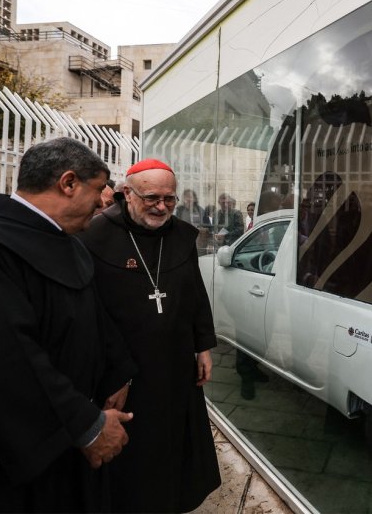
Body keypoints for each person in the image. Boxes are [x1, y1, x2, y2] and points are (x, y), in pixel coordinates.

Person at [0, 137, 137, 512]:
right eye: (99, 189)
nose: (106, 201)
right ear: (68, 183)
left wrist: (118, 370)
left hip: (68, 445)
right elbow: (3, 360)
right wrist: (85, 424)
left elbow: (90, 316)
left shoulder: (66, 242)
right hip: (8, 470)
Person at [79, 158, 221, 512]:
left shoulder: (182, 235)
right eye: (152, 198)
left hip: (174, 362)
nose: (162, 207)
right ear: (128, 193)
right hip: (125, 366)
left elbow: (195, 293)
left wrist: (203, 345)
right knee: (135, 452)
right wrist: (116, 371)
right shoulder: (94, 236)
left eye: (169, 199)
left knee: (173, 440)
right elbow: (89, 313)